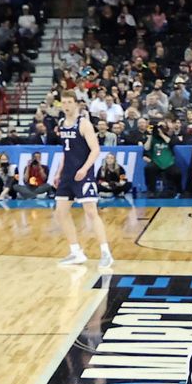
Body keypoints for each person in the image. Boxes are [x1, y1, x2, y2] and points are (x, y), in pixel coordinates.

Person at [52, 94, 114, 267]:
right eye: (64, 102)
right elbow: (65, 151)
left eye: (69, 102)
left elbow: (95, 150)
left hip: (83, 174)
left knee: (91, 212)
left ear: (76, 105)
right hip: (67, 176)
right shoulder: (61, 125)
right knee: (60, 212)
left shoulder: (84, 124)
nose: (66, 105)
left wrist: (84, 169)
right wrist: (58, 172)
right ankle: (75, 252)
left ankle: (105, 253)